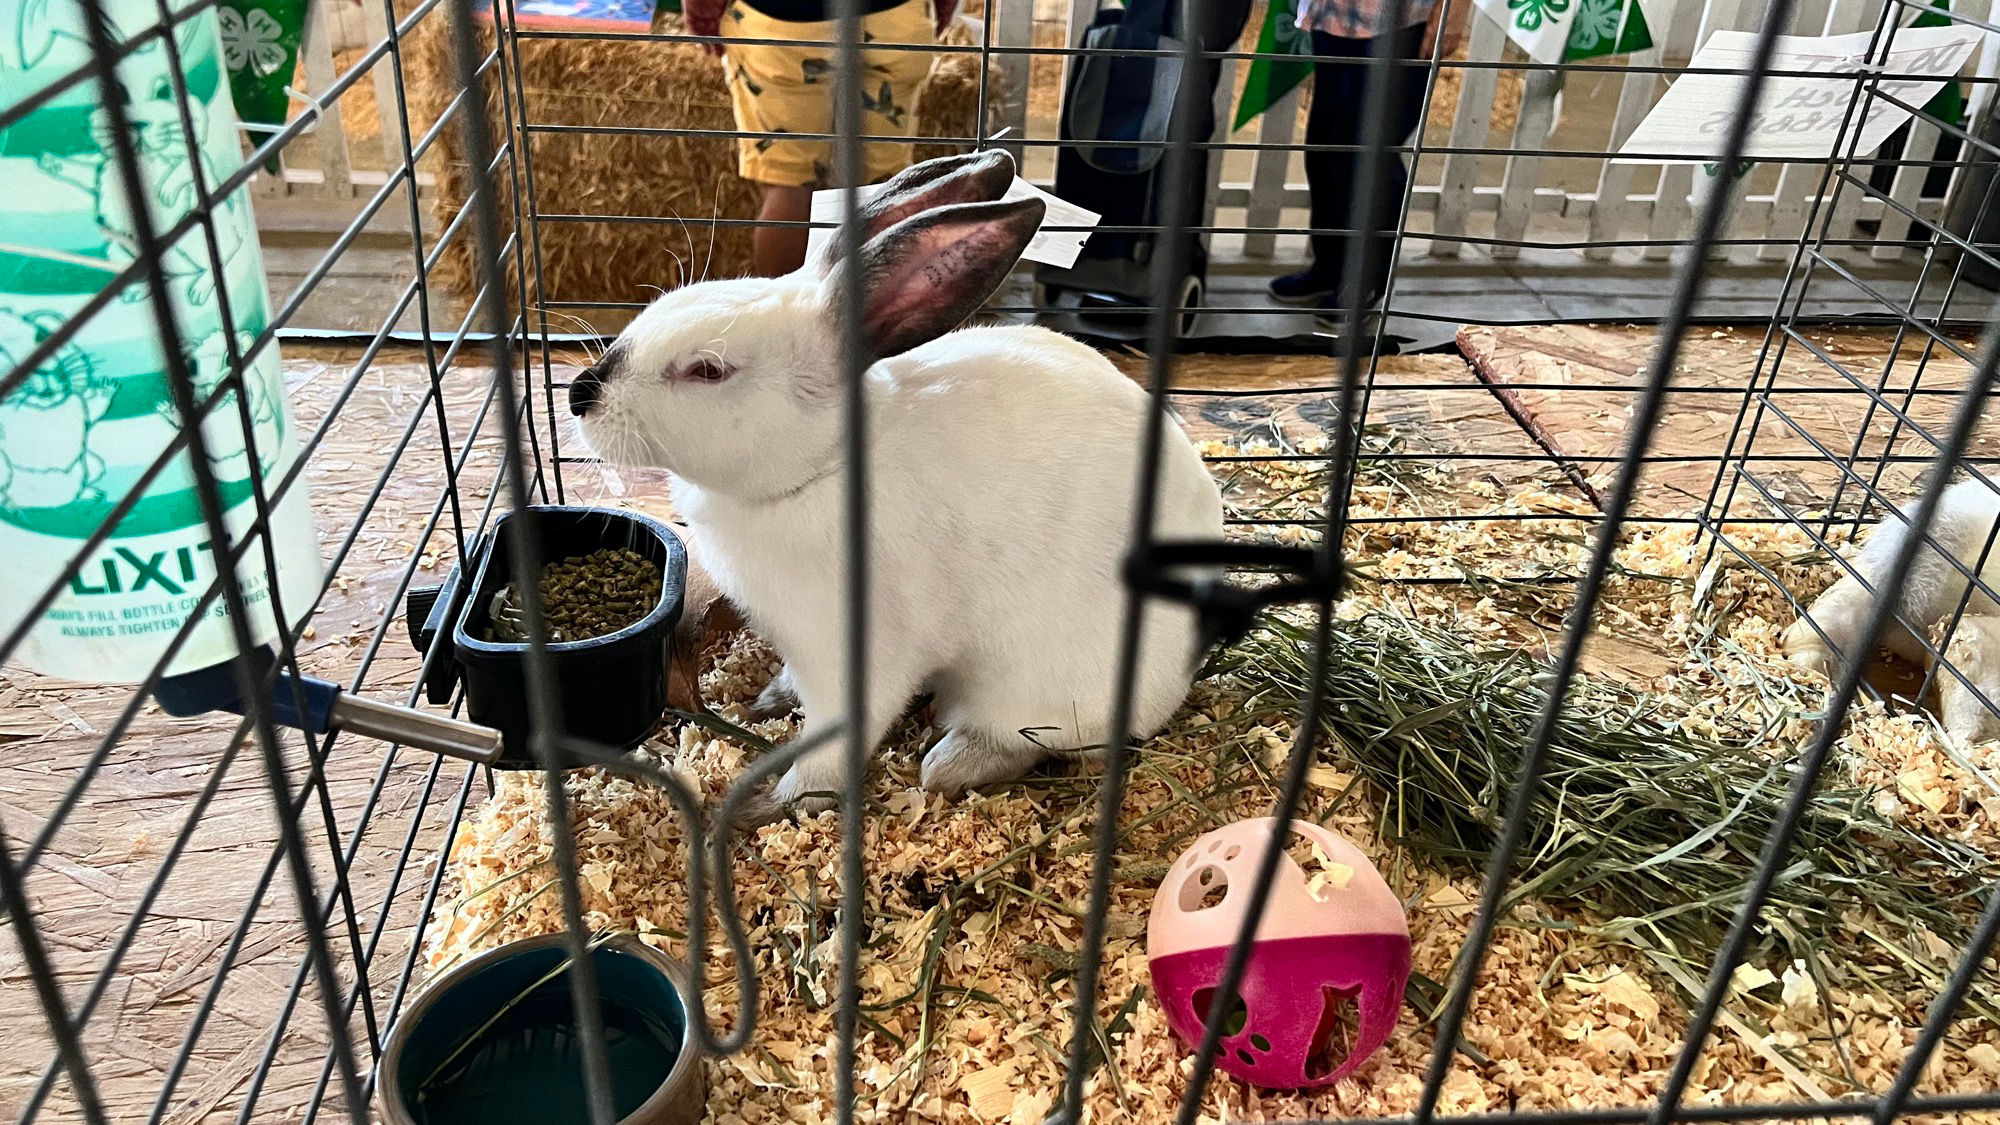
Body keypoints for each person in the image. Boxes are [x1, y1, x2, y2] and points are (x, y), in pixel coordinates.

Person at [685, 0, 956, 276]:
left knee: (790, 187)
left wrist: (701, 8)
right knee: (882, 188)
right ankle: (875, 315)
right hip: (895, 17)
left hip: (785, 22)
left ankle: (785, 315)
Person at [1269, 0, 1460, 315]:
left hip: (1401, 20)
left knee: (1371, 150)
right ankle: (1330, 268)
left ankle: (1366, 280)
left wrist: (1456, 9)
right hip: (1334, 14)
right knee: (1326, 142)